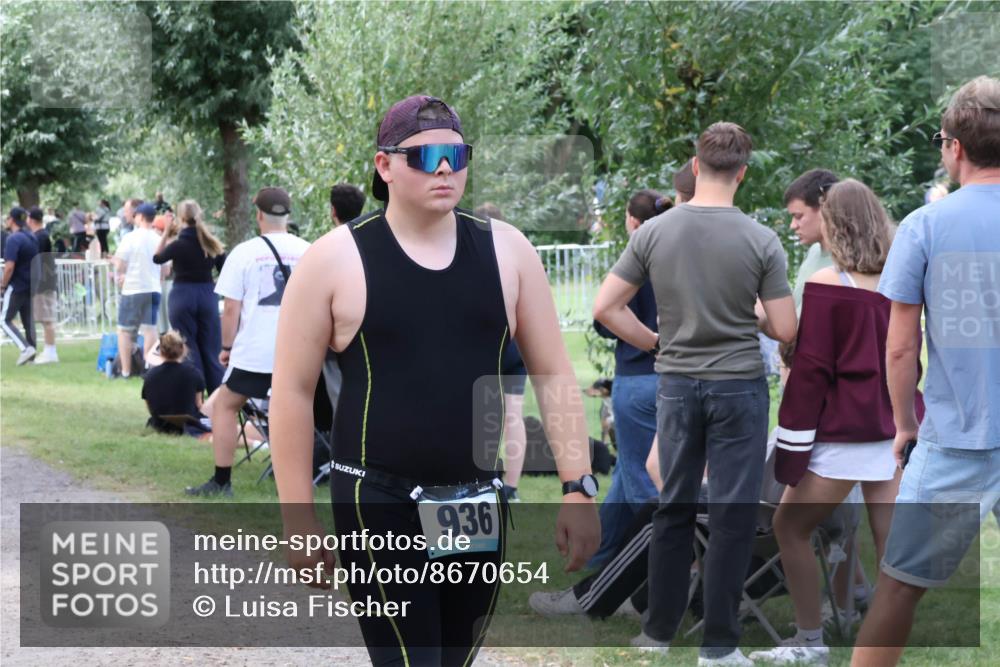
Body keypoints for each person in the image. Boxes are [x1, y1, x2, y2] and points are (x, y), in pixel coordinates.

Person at [268, 94, 600, 666]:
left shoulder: (508, 251)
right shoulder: (332, 260)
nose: (445, 168)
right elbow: (292, 392)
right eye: (424, 157)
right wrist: (298, 518)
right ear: (384, 165)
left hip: (473, 501)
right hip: (378, 499)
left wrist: (578, 486)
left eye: (456, 154)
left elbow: (554, 373)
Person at [594, 121, 796, 666]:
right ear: (742, 173)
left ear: (697, 164)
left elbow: (605, 307)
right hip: (738, 387)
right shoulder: (761, 239)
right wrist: (751, 312)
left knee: (673, 507)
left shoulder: (654, 233)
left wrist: (655, 343)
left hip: (678, 384)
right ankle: (719, 646)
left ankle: (657, 632)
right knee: (732, 516)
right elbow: (785, 327)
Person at [851, 75, 1000, 667]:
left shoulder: (925, 226)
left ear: (955, 148)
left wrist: (904, 424)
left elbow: (899, 348)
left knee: (900, 585)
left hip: (956, 438)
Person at [747, 179, 924, 666]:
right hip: (896, 426)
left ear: (835, 223)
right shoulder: (901, 279)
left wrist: (792, 444)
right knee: (891, 545)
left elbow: (811, 373)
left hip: (846, 431)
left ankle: (810, 641)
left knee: (790, 527)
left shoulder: (827, 283)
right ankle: (884, 647)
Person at [183, 187, 309, 497]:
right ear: (288, 215)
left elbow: (231, 309)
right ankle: (295, 483)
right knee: (293, 411)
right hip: (300, 351)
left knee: (225, 406)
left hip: (257, 352)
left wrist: (226, 347)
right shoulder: (310, 250)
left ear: (259, 215)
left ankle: (222, 481)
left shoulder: (244, 252)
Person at [587, 188, 670, 569]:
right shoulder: (678, 256)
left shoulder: (633, 260)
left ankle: (660, 563)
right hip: (671, 376)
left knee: (642, 480)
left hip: (636, 378)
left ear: (633, 222)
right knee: (627, 472)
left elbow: (605, 321)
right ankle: (599, 556)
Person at [474, 202, 529, 503]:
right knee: (513, 417)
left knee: (479, 415)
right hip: (515, 346)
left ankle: (481, 479)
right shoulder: (517, 257)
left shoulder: (469, 258)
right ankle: (511, 486)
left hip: (486, 345)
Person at [153, 200, 227, 392]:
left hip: (182, 296)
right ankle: (216, 396)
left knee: (188, 348)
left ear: (180, 218)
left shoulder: (178, 245)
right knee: (211, 349)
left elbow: (157, 257)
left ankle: (195, 396)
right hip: (207, 295)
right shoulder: (210, 243)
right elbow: (225, 269)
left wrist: (165, 232)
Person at [112, 202, 163, 378]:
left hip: (133, 289)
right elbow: (166, 270)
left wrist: (121, 273)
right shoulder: (159, 239)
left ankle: (126, 371)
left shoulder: (130, 238)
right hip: (154, 289)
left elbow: (119, 264)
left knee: (124, 331)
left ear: (140, 217)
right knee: (150, 329)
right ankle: (148, 368)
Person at [141, 330, 208, 436]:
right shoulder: (194, 373)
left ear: (161, 351)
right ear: (182, 349)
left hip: (159, 424)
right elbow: (199, 404)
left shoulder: (149, 375)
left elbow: (149, 406)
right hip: (187, 424)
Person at [2, 206, 39, 365]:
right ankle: (32, 354)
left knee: (4, 320)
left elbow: (9, 266)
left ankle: (25, 348)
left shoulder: (13, 239)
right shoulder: (32, 237)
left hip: (16, 285)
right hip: (30, 283)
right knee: (28, 321)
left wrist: (2, 285)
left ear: (12, 220)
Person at [26, 207, 59, 364]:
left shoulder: (40, 237)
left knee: (47, 318)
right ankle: (48, 349)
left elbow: (37, 260)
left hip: (44, 282)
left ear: (31, 219)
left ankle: (50, 351)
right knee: (44, 318)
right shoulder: (41, 235)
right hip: (44, 281)